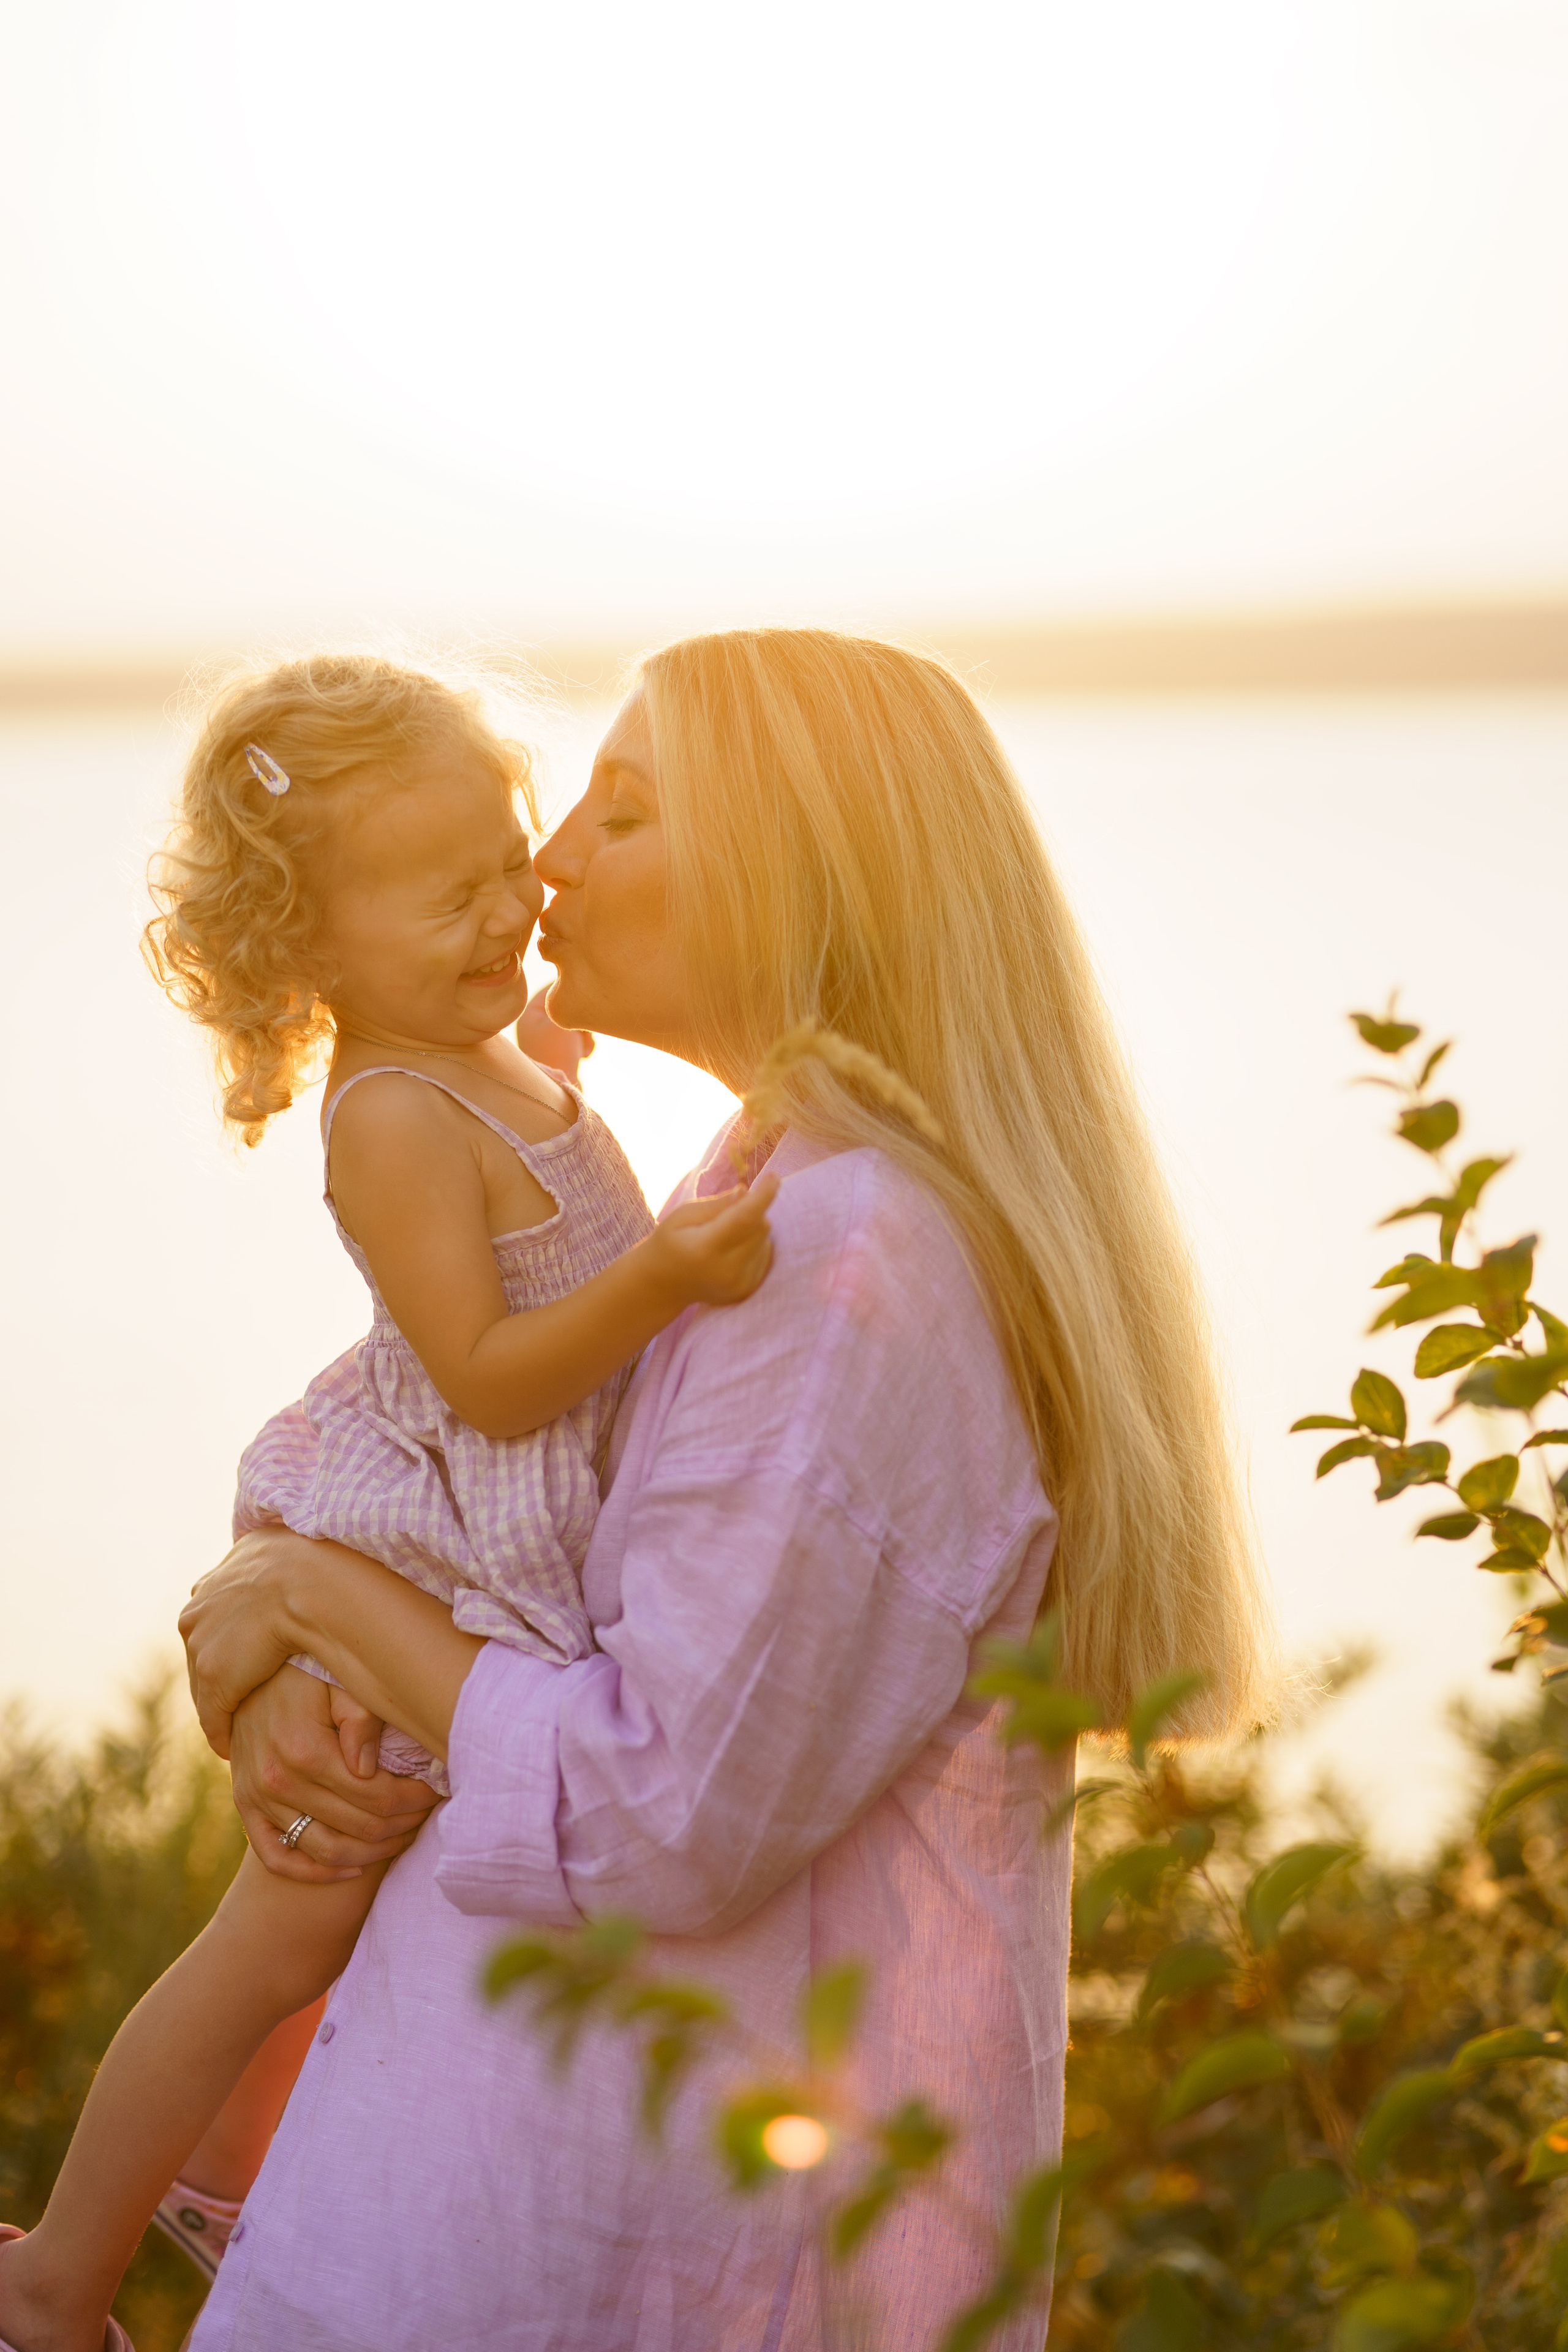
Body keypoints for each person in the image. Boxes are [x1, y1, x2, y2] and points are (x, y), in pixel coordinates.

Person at [0, 654, 777, 2352]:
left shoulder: (499, 1048)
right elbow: (494, 1376)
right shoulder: (391, 1116)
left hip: (475, 1532)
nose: (512, 908)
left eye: (512, 859)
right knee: (279, 1938)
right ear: (311, 948)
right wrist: (663, 1279)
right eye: (452, 895)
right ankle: (56, 2276)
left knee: (360, 1953)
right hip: (434, 1550)